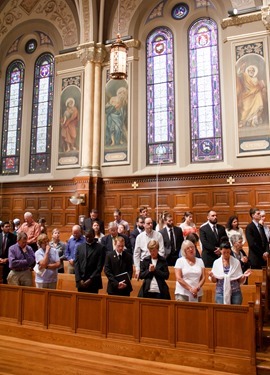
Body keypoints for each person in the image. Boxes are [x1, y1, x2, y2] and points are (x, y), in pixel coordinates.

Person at [74, 229, 106, 293]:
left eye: (90, 237)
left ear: (94, 236)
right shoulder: (79, 247)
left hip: (93, 282)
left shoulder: (100, 248)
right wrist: (79, 279)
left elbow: (99, 267)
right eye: (86, 237)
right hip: (81, 282)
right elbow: (77, 264)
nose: (88, 238)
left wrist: (90, 279)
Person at [237, 63, 266, 128]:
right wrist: (242, 68)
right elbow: (239, 73)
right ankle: (243, 121)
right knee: (246, 107)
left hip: (255, 95)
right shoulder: (245, 76)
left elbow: (257, 88)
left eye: (252, 71)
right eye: (250, 71)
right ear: (248, 71)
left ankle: (253, 119)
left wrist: (261, 85)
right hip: (247, 95)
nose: (251, 72)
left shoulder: (255, 79)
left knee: (258, 95)